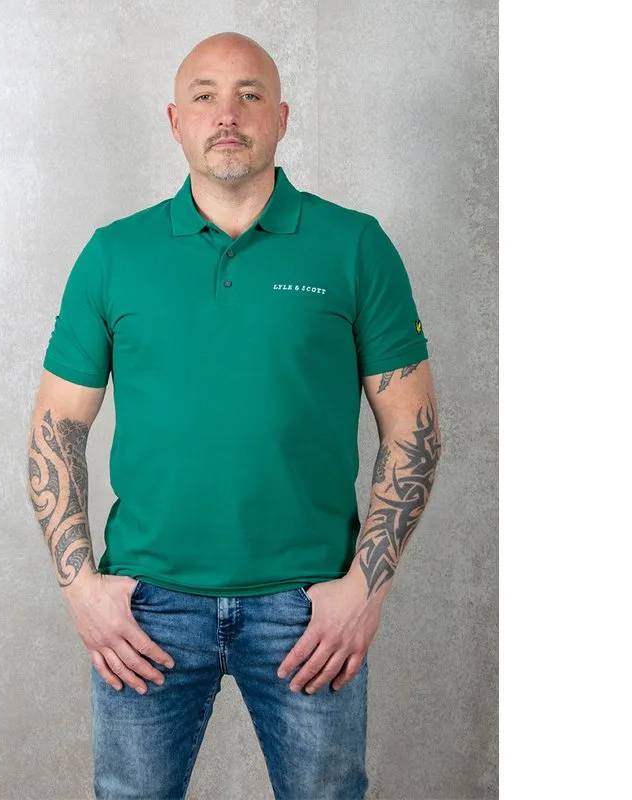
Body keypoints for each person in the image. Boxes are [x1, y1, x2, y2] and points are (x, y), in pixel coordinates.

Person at [27, 31, 441, 800]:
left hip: (310, 610)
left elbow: (413, 429)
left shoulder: (354, 246)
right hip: (147, 608)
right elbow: (56, 430)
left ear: (281, 118)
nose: (227, 114)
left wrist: (366, 589)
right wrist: (81, 588)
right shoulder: (114, 254)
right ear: (174, 120)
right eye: (205, 96)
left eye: (250, 95)